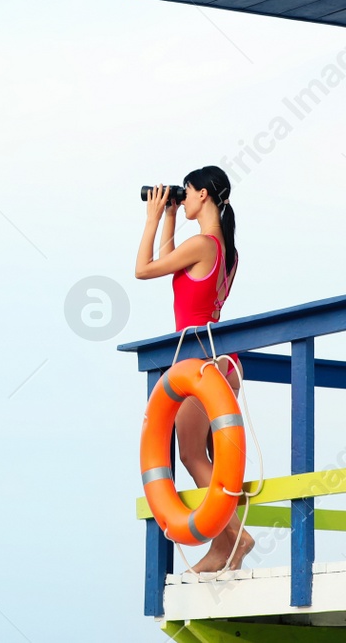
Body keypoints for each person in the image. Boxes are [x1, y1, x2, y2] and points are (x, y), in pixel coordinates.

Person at [134, 165, 251, 573]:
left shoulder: (203, 243)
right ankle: (227, 542)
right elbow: (170, 262)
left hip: (201, 363)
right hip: (223, 358)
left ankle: (235, 538)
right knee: (198, 452)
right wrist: (168, 215)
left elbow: (144, 268)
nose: (181, 199)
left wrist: (150, 219)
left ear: (203, 195)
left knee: (188, 453)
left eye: (185, 193)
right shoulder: (224, 248)